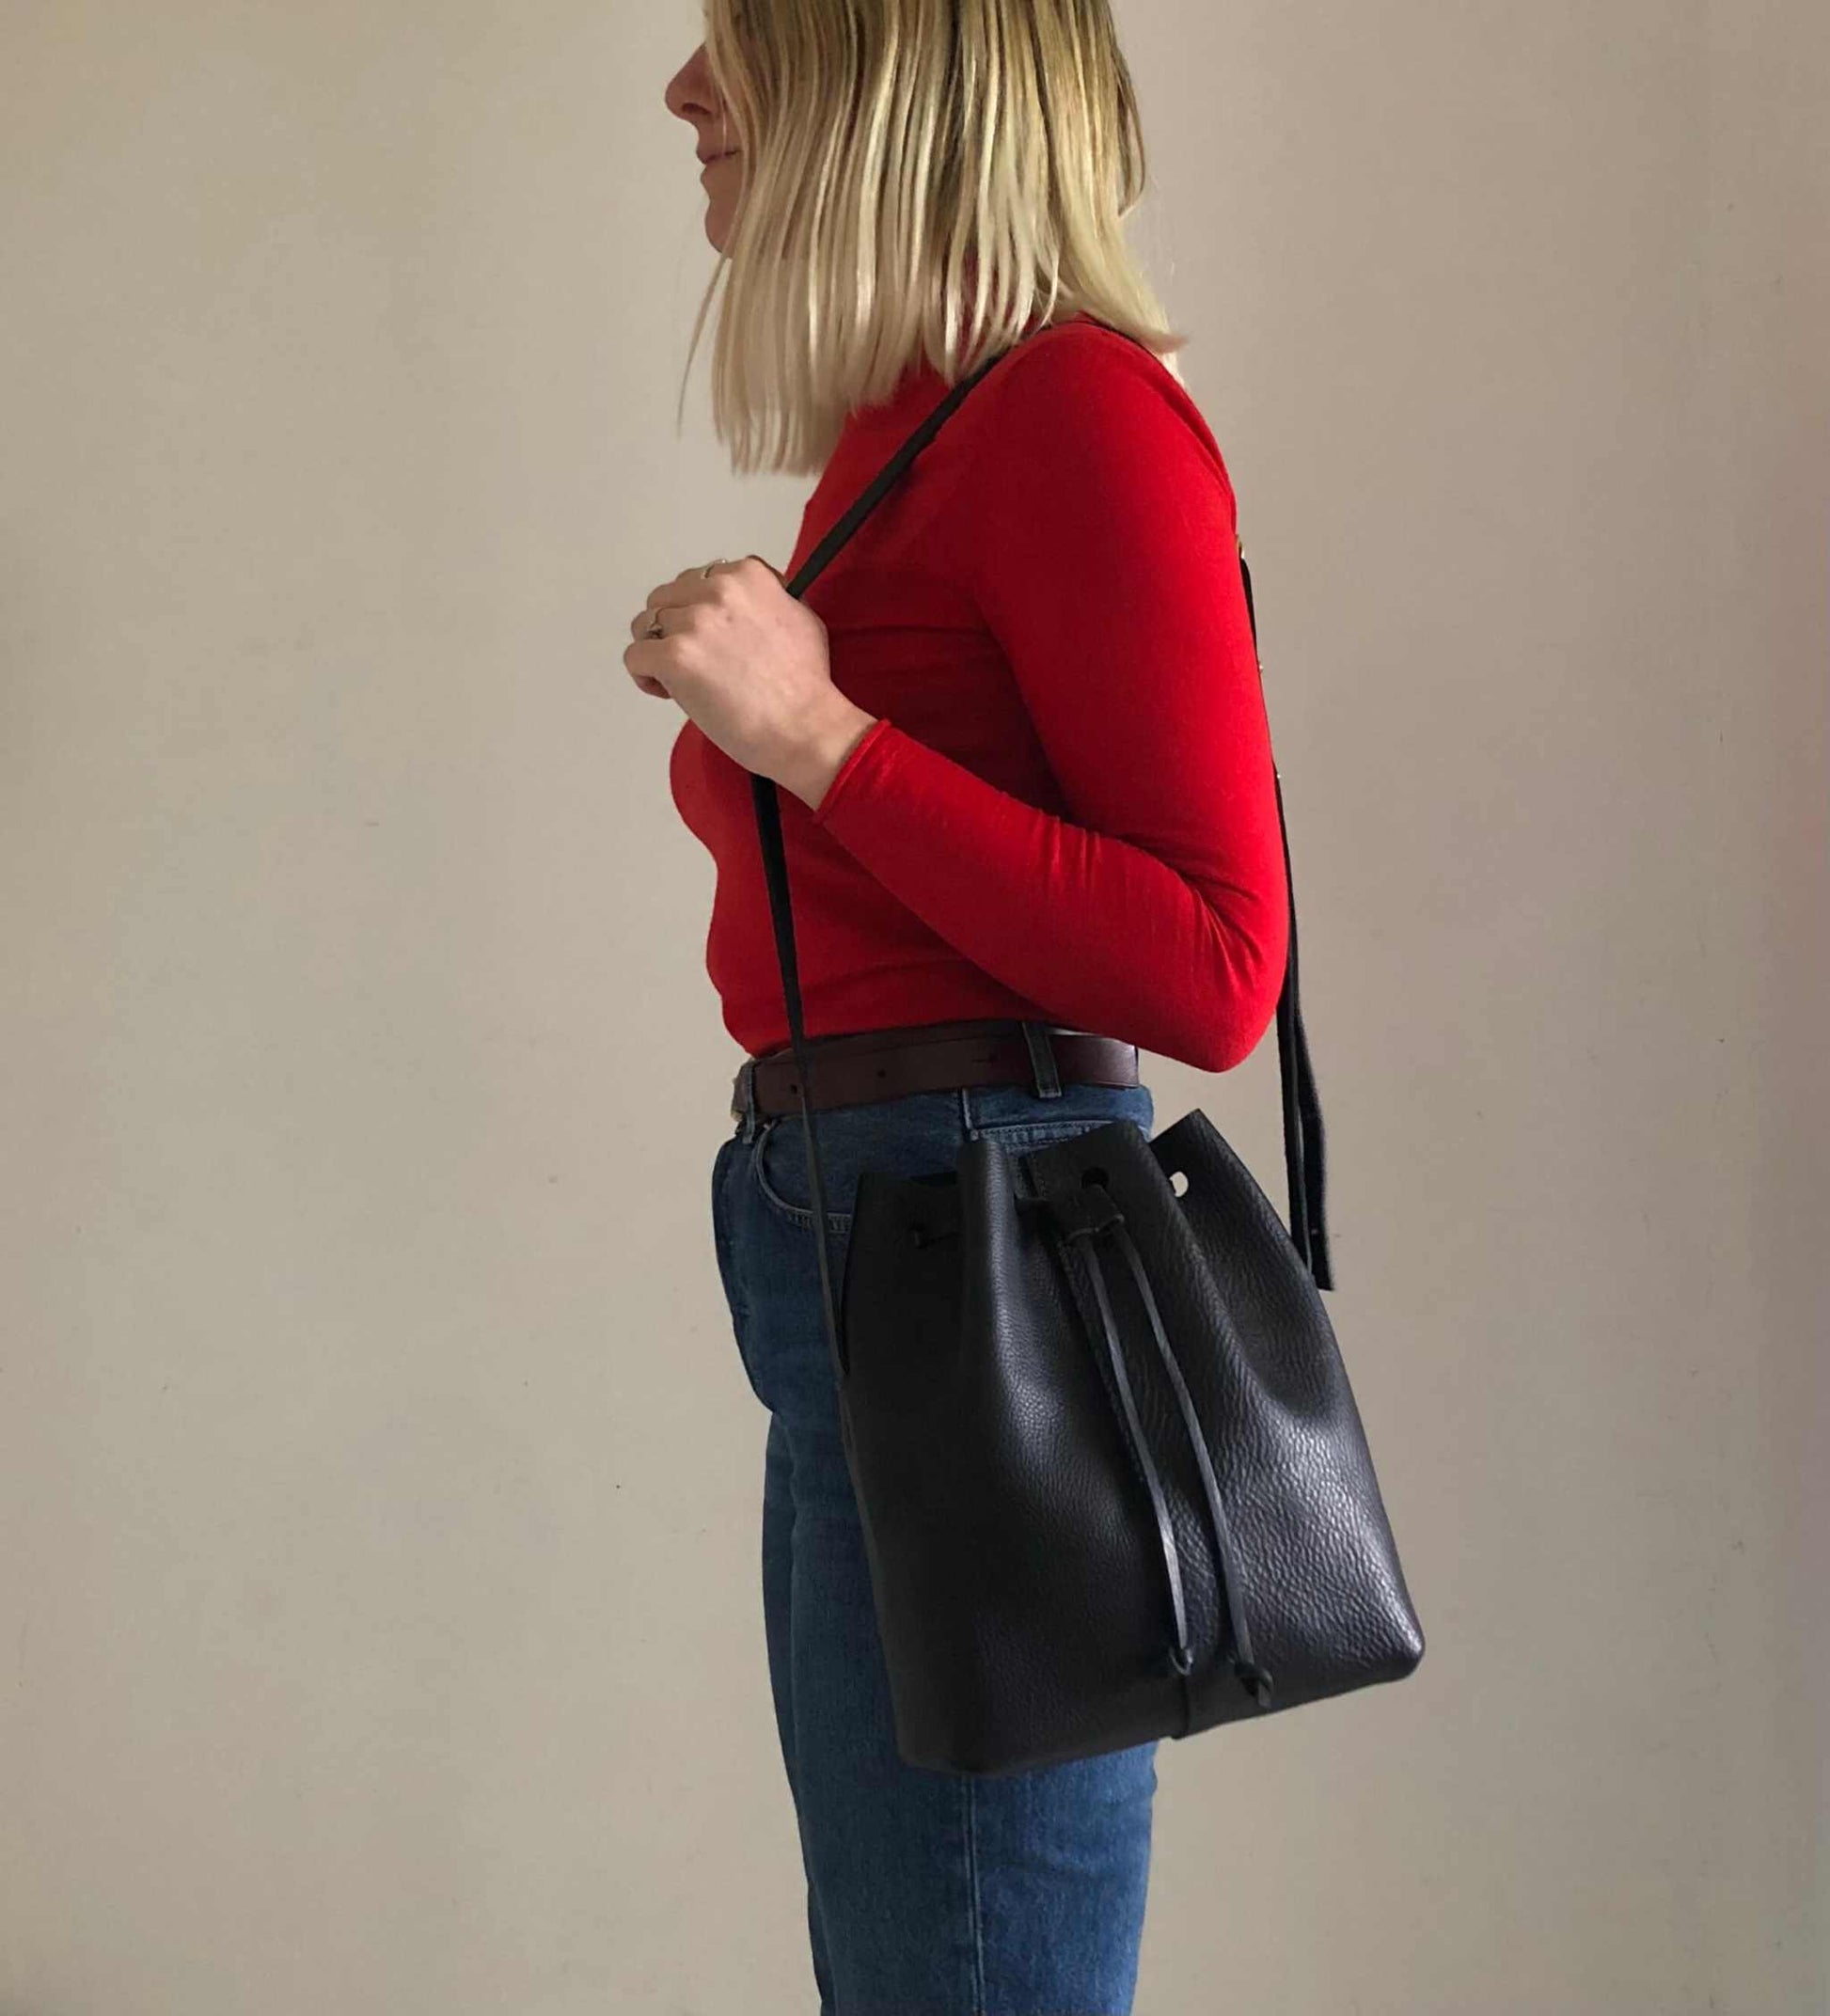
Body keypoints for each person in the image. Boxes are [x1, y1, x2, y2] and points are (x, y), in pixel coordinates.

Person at [630, 6, 1289, 2009]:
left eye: (732, 46)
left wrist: (818, 732)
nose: (681, 93)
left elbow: (1210, 964)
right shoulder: (919, 423)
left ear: (880, 86)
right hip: (865, 1235)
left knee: (969, 1976)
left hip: (972, 1240)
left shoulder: (1075, 412)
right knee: (920, 1964)